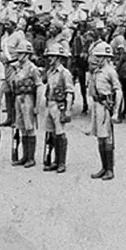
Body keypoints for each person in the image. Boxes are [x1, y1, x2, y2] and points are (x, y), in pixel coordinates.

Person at [87, 40, 121, 180]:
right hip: (97, 105)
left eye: (100, 57)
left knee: (107, 139)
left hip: (106, 105)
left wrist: (116, 112)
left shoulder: (110, 72)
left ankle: (110, 169)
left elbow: (118, 91)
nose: (97, 59)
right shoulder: (96, 71)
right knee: (100, 138)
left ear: (107, 57)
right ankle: (103, 167)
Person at [41, 42, 75, 172]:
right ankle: (55, 160)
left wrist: (67, 110)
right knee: (52, 133)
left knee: (60, 133)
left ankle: (62, 162)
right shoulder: (50, 72)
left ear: (58, 57)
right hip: (49, 103)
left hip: (59, 105)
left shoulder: (64, 73)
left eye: (52, 56)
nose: (49, 58)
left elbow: (69, 92)